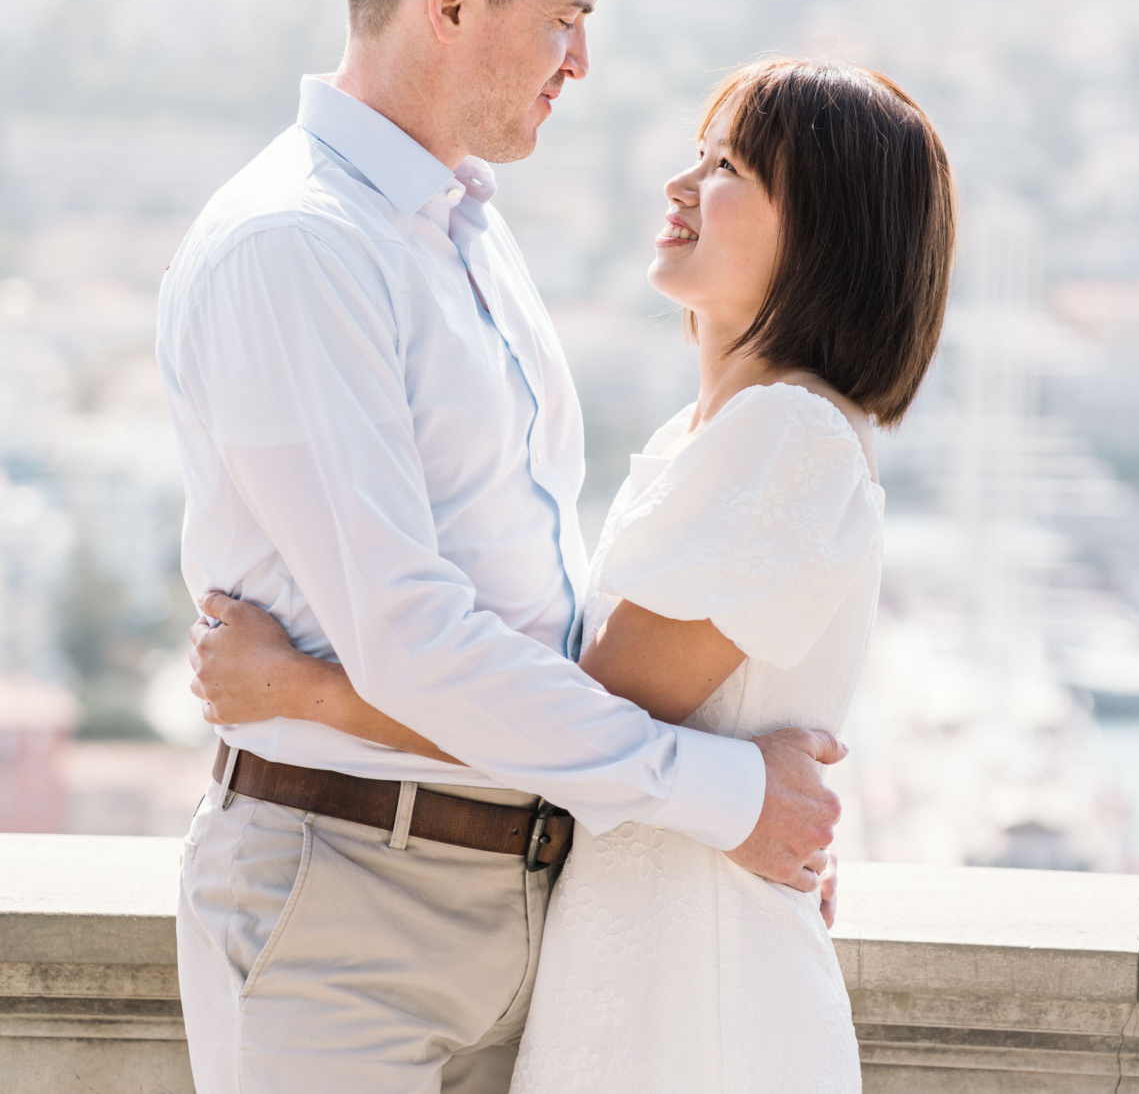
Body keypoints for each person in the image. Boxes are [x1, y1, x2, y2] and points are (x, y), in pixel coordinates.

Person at [159, 0, 850, 1094]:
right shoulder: (298, 249)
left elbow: (541, 617)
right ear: (452, 0)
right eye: (565, 19)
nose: (582, 63)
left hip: (530, 898)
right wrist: (723, 796)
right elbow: (411, 634)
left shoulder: (463, 229)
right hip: (347, 903)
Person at [190, 56, 957, 1092]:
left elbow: (575, 716)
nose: (681, 186)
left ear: (825, 232)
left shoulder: (786, 437)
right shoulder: (720, 434)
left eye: (727, 166)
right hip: (634, 933)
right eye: (695, 154)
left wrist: (307, 691)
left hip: (693, 966)